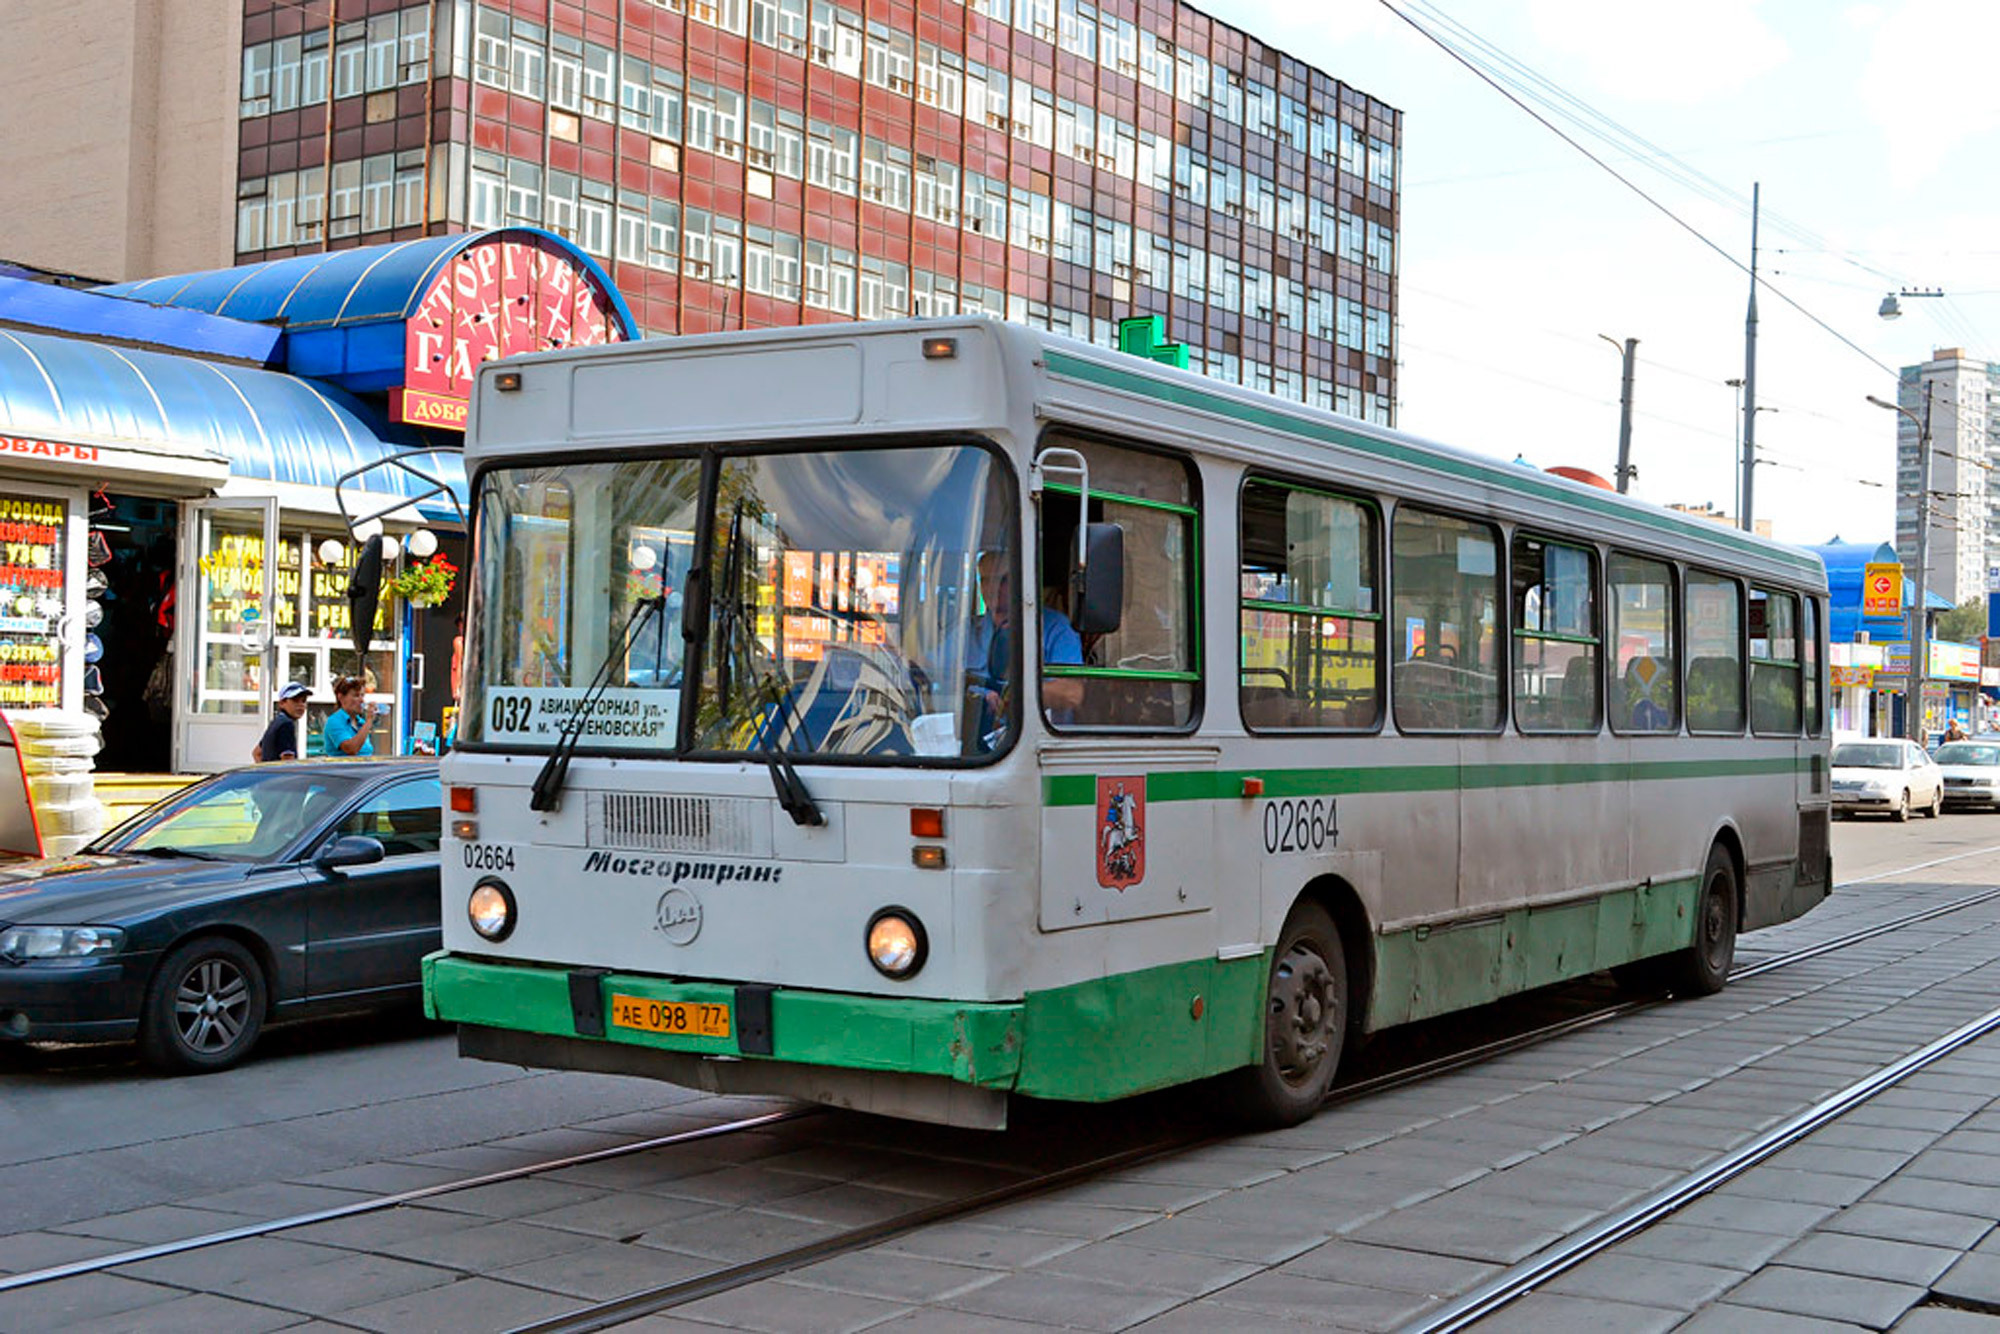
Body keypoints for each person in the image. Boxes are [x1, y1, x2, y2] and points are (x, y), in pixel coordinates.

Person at [967, 557, 1084, 740]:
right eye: (985, 580)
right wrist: (981, 695)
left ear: (1021, 581)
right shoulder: (966, 631)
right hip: (973, 738)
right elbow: (936, 676)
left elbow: (1072, 693)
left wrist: (1013, 696)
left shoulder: (1056, 628)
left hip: (1034, 740)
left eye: (1003, 580)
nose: (993, 588)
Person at [252, 682, 311, 762]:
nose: (300, 705)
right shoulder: (286, 725)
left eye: (303, 701)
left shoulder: (276, 723)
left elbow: (257, 753)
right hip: (282, 774)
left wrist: (265, 772)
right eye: (295, 700)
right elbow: (287, 760)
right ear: (282, 703)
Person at [323, 675, 381, 757]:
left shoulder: (361, 723)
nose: (362, 700)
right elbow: (351, 749)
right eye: (356, 696)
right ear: (341, 697)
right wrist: (369, 721)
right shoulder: (334, 721)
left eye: (362, 695)